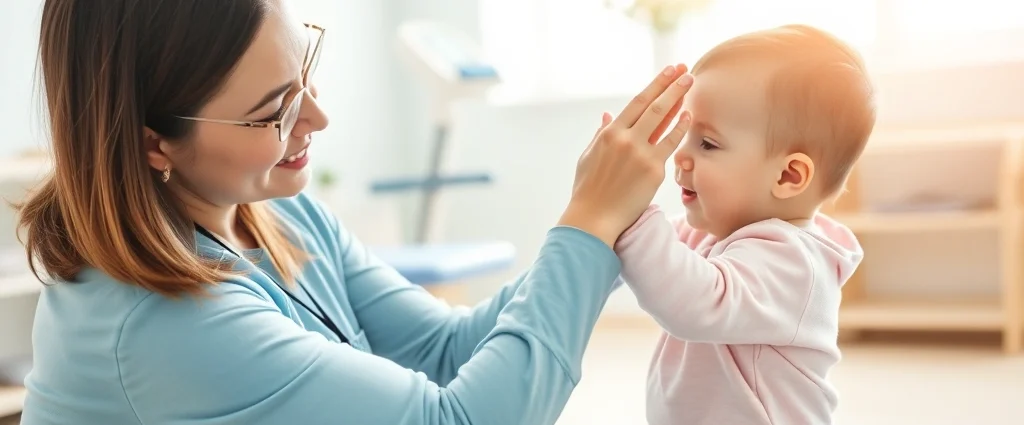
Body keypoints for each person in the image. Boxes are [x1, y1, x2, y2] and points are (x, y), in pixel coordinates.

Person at [15, 1, 695, 424]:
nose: (318, 115)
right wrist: (586, 224)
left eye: (304, 69)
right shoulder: (164, 326)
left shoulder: (277, 215)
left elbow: (444, 350)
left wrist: (614, 230)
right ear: (153, 142)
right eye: (274, 110)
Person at [609, 24, 875, 425]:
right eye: (686, 136)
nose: (680, 156)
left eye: (708, 144)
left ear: (787, 177)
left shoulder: (795, 262)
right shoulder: (712, 231)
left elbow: (693, 303)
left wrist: (630, 213)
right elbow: (651, 255)